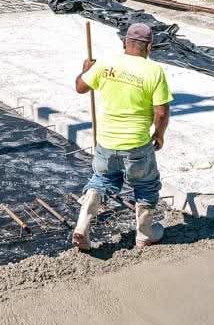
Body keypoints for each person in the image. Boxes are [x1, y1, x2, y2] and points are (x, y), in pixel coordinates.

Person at [72, 23, 172, 250]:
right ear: (150, 47)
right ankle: (145, 233)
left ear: (124, 42)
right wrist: (159, 134)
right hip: (136, 143)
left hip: (106, 141)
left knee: (101, 181)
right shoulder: (154, 71)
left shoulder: (105, 64)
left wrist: (86, 69)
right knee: (146, 185)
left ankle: (82, 225)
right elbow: (161, 111)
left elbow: (80, 86)